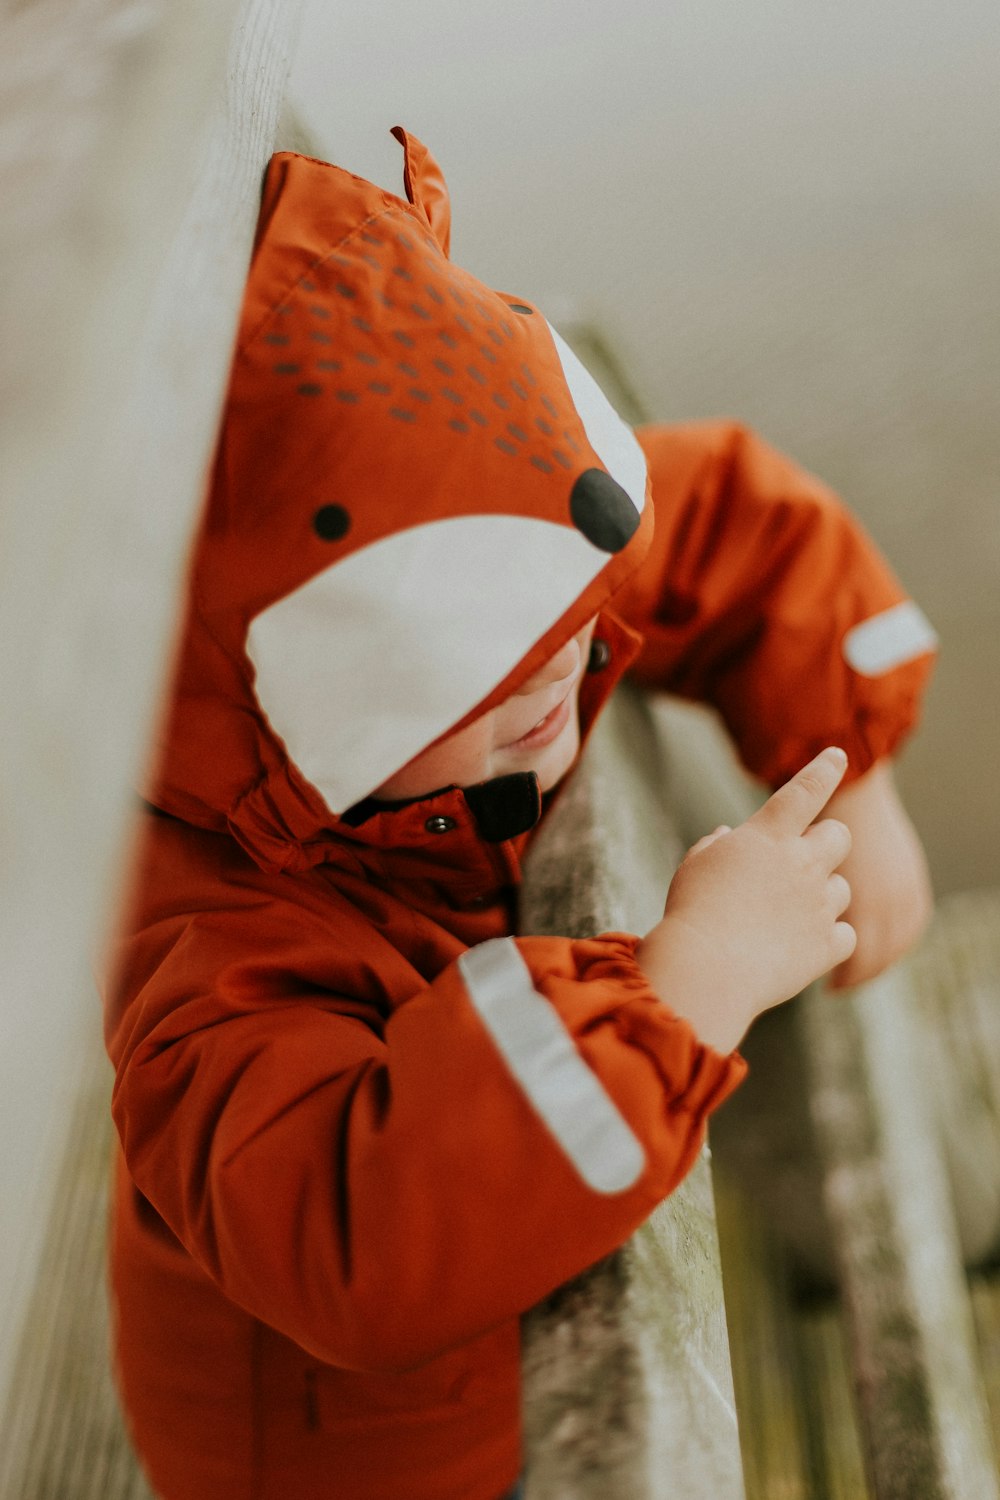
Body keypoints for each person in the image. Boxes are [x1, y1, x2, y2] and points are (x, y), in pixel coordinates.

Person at [104, 128, 937, 1500]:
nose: (565, 659)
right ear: (305, 685)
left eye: (563, 613)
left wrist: (863, 761)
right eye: (472, 659)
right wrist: (678, 994)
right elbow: (340, 1227)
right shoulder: (212, 939)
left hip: (523, 1306)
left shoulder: (520, 590)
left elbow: (740, 515)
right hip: (362, 1453)